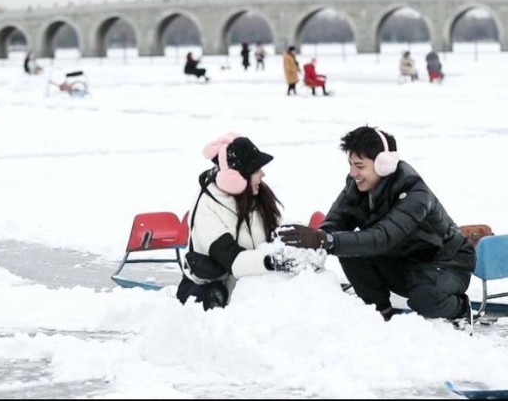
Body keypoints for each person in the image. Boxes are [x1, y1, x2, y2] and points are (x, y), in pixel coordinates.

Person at [278, 126, 476, 324]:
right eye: (351, 165)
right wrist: (317, 239)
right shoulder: (357, 186)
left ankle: (459, 308)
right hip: (403, 261)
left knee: (425, 300)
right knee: (350, 249)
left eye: (360, 166)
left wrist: (326, 240)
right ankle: (380, 310)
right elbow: (336, 222)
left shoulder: (416, 194)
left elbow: (382, 238)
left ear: (385, 164)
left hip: (446, 263)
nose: (353, 172)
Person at [176, 133, 305, 311]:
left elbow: (276, 232)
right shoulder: (207, 209)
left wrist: (300, 243)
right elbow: (233, 259)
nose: (263, 174)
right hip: (211, 295)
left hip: (251, 288)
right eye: (257, 169)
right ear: (237, 177)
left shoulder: (257, 195)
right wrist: (273, 262)